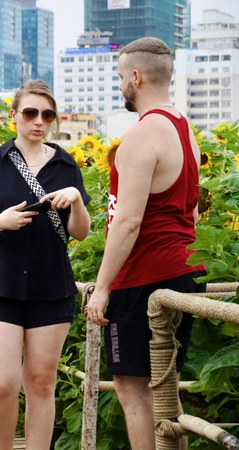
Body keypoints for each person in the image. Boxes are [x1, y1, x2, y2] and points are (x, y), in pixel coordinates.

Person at [86, 37, 206, 450]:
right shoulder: (185, 131)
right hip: (184, 271)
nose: (121, 84)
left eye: (121, 76)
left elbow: (128, 221)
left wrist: (101, 287)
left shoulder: (140, 135)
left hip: (143, 277)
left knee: (132, 388)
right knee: (166, 389)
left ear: (135, 77)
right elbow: (190, 212)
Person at [0, 79, 91, 449]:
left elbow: (80, 233)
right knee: (2, 383)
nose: (39, 121)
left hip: (51, 288)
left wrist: (77, 201)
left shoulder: (67, 166)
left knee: (41, 382)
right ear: (14, 116)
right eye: (31, 112)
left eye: (47, 114)